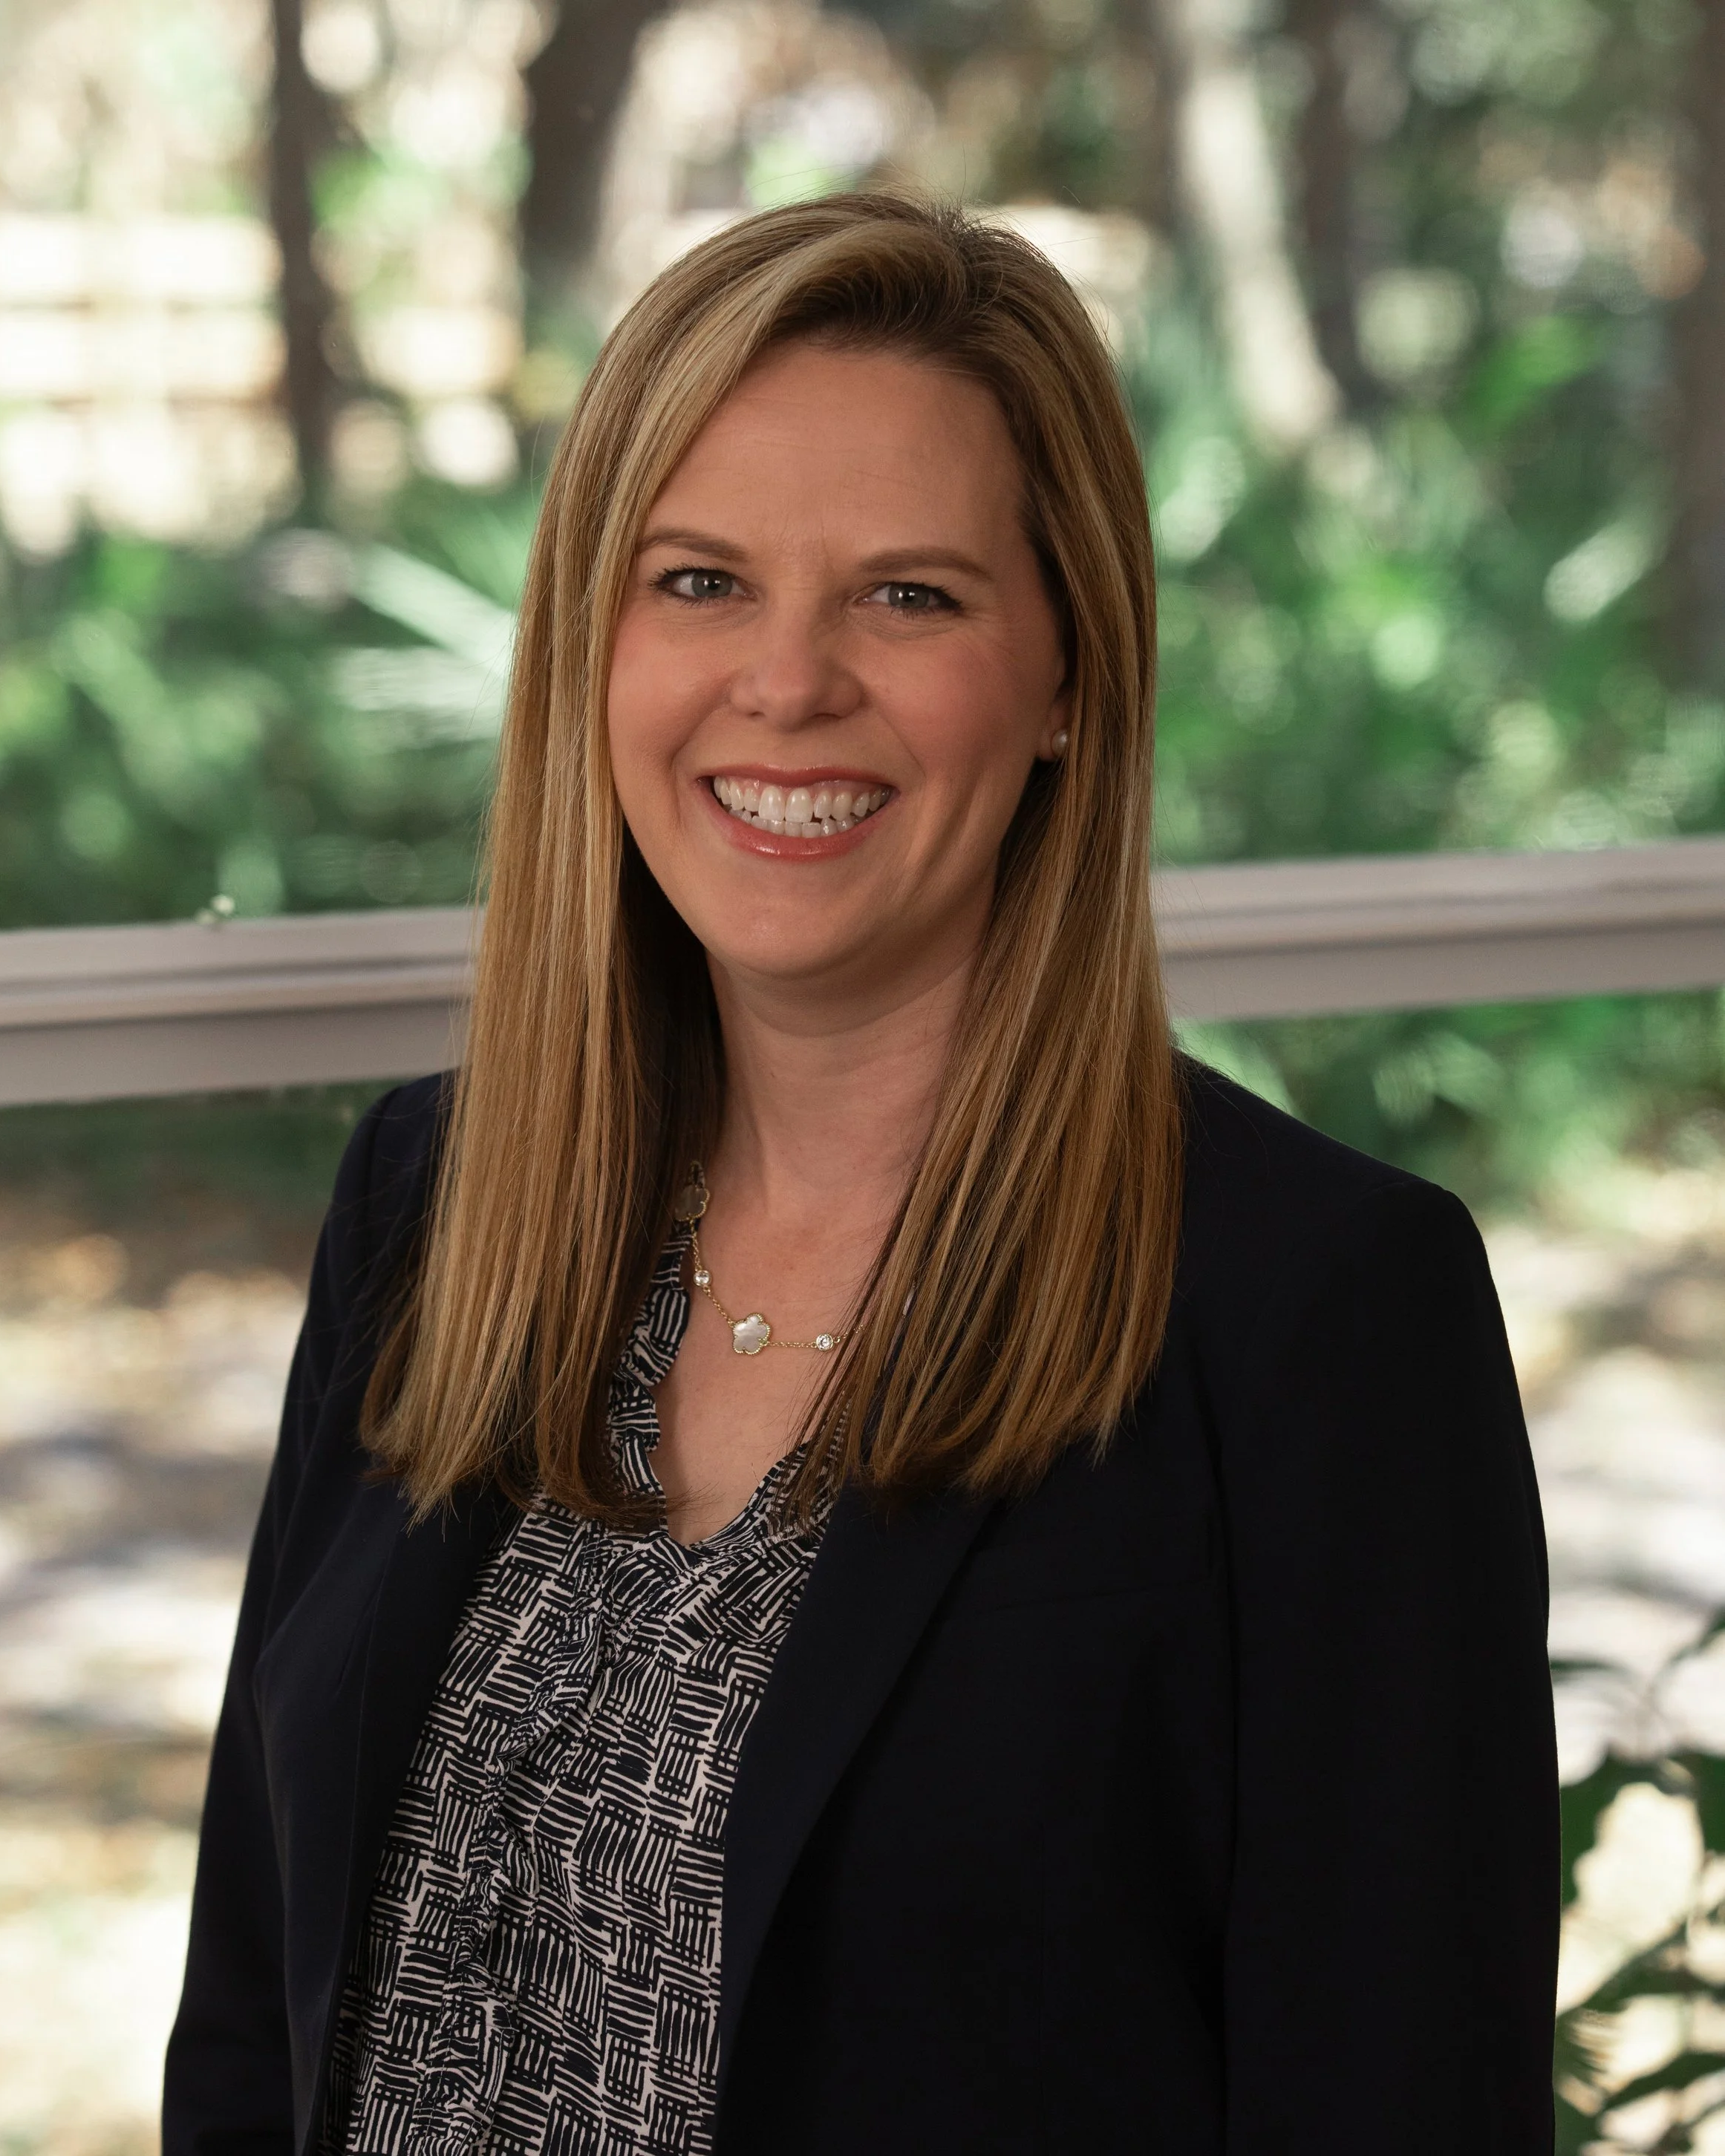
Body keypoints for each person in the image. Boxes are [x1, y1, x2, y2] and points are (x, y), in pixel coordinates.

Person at [163, 193, 1559, 2156]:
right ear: (592, 648)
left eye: (906, 595)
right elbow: (250, 2010)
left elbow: (1397, 2096)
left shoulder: (1318, 1316)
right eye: (698, 582)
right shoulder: (434, 1196)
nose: (787, 682)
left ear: (1069, 674)